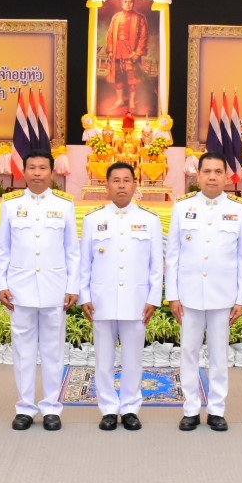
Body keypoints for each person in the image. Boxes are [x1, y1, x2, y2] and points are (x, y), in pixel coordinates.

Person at [166, 152, 242, 432]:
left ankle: (216, 409)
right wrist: (173, 295)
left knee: (219, 355)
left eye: (218, 172)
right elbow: (173, 254)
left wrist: (240, 298)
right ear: (198, 175)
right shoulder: (182, 206)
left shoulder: (240, 209)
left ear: (226, 176)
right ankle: (190, 409)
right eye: (207, 172)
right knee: (188, 352)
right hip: (189, 295)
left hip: (222, 295)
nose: (212, 177)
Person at [0, 148, 79, 430]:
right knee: (23, 351)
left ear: (52, 172)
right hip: (20, 289)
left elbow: (72, 250)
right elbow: (3, 248)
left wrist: (72, 286)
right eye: (32, 168)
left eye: (42, 168)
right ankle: (25, 407)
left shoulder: (64, 205)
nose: (37, 173)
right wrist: (1, 284)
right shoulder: (11, 204)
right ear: (24, 171)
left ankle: (52, 407)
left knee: (54, 351)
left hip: (55, 288)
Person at [78, 161, 164, 431]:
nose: (122, 185)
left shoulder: (149, 220)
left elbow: (156, 264)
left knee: (133, 359)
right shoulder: (93, 220)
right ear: (107, 185)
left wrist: (153, 299)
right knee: (103, 359)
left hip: (136, 301)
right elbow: (84, 263)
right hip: (101, 300)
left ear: (135, 185)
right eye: (116, 180)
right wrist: (84, 296)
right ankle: (107, 408)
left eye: (127, 180)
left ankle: (129, 408)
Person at [102, 0, 150, 117]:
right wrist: (110, 51)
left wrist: (137, 53)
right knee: (118, 77)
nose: (127, 4)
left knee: (132, 79)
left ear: (133, 3)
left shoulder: (140, 18)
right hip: (117, 52)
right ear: (122, 3)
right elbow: (110, 34)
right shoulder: (116, 17)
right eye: (125, 2)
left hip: (132, 53)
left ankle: (132, 101)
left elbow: (144, 37)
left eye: (130, 2)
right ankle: (120, 100)